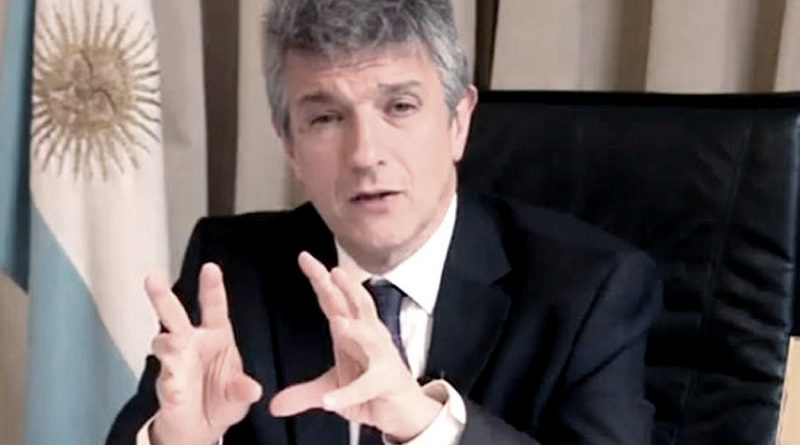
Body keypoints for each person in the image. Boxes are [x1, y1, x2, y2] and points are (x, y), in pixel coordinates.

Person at [107, 0, 661, 443]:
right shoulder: (231, 273)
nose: (365, 154)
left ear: (458, 122)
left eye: (399, 107)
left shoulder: (588, 291)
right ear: (289, 146)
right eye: (326, 117)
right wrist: (179, 440)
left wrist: (424, 424)